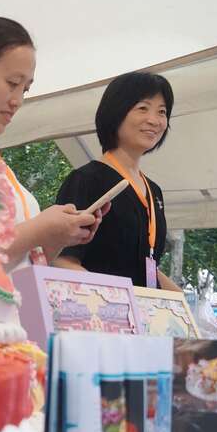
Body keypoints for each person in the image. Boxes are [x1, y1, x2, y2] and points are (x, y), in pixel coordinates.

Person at [0, 17, 105, 268]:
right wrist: (39, 228)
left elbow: (20, 262)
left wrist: (57, 236)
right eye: (12, 83)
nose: (17, 100)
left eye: (24, 89)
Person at [52, 72, 181, 290]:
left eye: (162, 111)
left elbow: (146, 266)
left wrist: (185, 304)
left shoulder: (154, 191)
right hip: (100, 308)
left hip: (143, 309)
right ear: (116, 112)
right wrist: (116, 300)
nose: (154, 120)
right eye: (143, 108)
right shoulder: (87, 180)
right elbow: (63, 260)